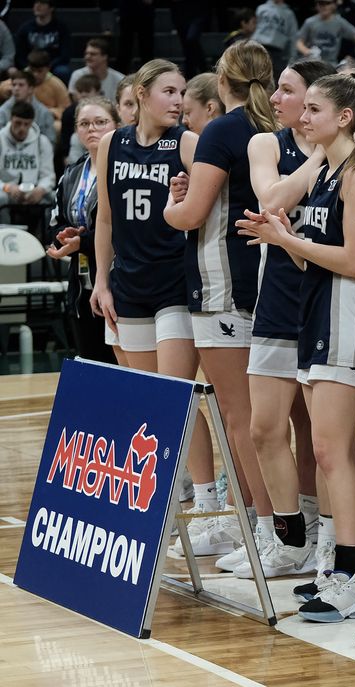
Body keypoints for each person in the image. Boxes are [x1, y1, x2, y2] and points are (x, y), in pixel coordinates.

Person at [237, 69, 355, 622]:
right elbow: (307, 256)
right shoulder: (326, 170)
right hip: (317, 313)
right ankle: (351, 567)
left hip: (348, 319)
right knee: (334, 451)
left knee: (331, 449)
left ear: (344, 117)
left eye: (314, 110)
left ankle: (353, 575)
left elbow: (353, 260)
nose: (303, 117)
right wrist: (284, 238)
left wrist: (287, 238)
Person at [89, 58, 219, 554]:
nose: (177, 100)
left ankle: (208, 504)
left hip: (175, 286)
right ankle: (163, 504)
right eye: (168, 91)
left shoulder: (186, 144)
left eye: (182, 92)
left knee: (177, 398)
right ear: (141, 93)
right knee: (146, 404)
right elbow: (105, 217)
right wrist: (102, 281)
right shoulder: (111, 144)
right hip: (130, 285)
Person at [162, 42, 280, 565]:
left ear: (221, 81)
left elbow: (190, 217)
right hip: (267, 280)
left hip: (222, 284)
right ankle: (270, 523)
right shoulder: (274, 125)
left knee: (240, 415)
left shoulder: (223, 130)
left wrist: (173, 203)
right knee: (269, 418)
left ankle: (264, 527)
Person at [234, 58, 337, 583]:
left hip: (332, 299)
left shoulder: (354, 154)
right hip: (277, 298)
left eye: (288, 90)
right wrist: (320, 153)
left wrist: (325, 150)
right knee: (263, 427)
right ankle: (289, 534)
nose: (275, 98)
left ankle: (334, 538)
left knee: (328, 439)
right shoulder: (267, 145)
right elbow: (271, 198)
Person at [46, 96, 119, 364]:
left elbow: (121, 226)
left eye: (101, 122)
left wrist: (83, 241)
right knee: (90, 361)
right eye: (84, 123)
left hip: (118, 277)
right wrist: (65, 237)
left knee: (123, 364)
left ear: (117, 125)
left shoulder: (122, 169)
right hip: (80, 281)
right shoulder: (73, 172)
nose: (92, 129)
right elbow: (55, 221)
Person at [0, 100, 55, 225]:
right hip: (7, 190)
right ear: (10, 119)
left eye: (26, 124)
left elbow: (48, 175)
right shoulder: (0, 139)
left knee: (54, 199)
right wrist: (7, 187)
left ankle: (47, 241)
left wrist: (41, 189)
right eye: (18, 123)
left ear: (32, 123)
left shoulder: (42, 142)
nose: (22, 128)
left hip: (33, 191)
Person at [295, 0, 355, 65]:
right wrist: (307, 51)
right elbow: (299, 42)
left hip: (331, 63)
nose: (323, 7)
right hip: (313, 63)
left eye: (327, 3)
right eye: (321, 4)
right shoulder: (310, 22)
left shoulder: (339, 22)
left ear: (334, 5)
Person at [14, 0, 71, 84]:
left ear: (51, 8)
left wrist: (47, 67)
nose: (37, 6)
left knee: (63, 71)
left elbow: (65, 55)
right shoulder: (25, 29)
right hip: (30, 65)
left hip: (53, 66)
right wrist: (30, 67)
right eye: (36, 3)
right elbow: (19, 55)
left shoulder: (61, 28)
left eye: (42, 3)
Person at [0, 68, 56, 147]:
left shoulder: (44, 113)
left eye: (21, 85)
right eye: (14, 85)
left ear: (31, 89)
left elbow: (51, 142)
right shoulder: (2, 111)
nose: (16, 88)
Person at [252, 0, 299, 80]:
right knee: (255, 77)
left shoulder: (289, 14)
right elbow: (252, 28)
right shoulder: (261, 8)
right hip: (258, 47)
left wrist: (292, 58)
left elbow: (293, 37)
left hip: (278, 53)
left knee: (275, 80)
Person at [26, 49, 70, 134]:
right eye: (32, 70)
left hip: (48, 118)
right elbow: (4, 88)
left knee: (58, 127)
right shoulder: (20, 81)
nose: (35, 74)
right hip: (22, 117)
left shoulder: (57, 84)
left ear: (48, 69)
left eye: (39, 71)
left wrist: (49, 111)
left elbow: (65, 109)